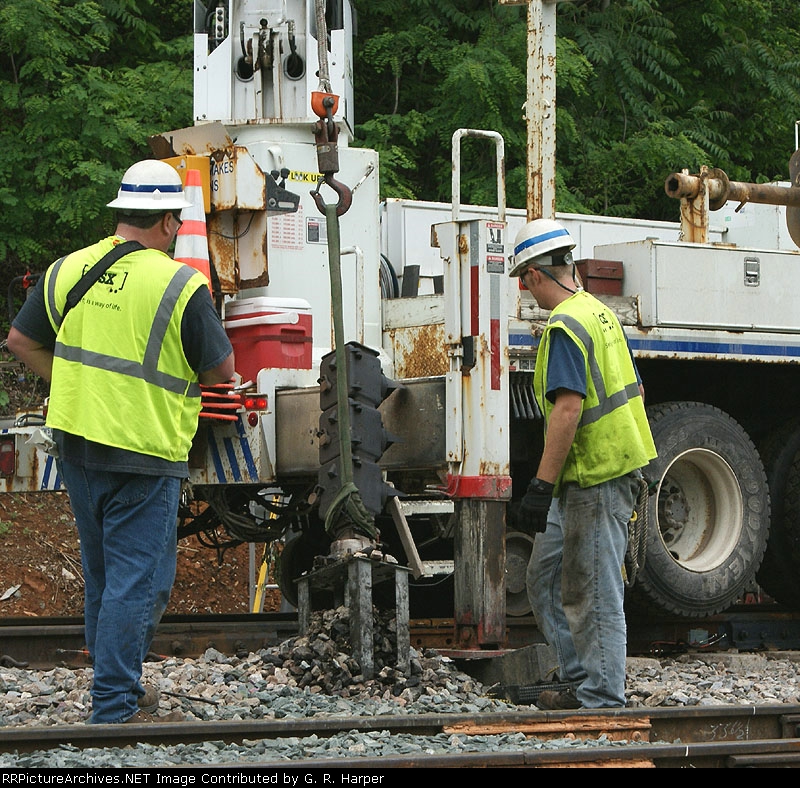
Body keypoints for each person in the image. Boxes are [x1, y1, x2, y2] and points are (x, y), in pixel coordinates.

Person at [7, 159, 235, 724]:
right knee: (141, 583)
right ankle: (113, 705)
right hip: (145, 448)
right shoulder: (181, 284)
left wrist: (77, 385)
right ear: (165, 222)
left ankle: (117, 686)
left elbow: (20, 341)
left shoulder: (66, 269)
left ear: (120, 214)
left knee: (106, 576)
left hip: (79, 445)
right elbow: (221, 373)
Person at [509, 218, 657, 710]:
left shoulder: (566, 324)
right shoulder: (600, 312)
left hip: (598, 474)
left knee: (592, 590)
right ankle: (578, 677)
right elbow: (632, 389)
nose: (527, 293)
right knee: (546, 578)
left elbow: (568, 409)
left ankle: (602, 697)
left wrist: (539, 484)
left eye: (524, 282)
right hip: (587, 475)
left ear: (534, 275)